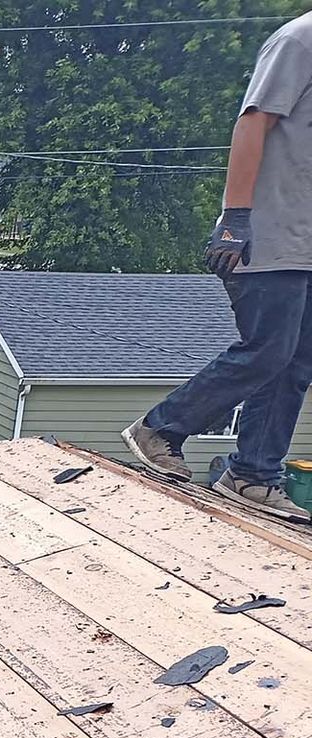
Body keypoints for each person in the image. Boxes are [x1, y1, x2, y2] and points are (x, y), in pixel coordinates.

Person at [123, 12, 312, 522]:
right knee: (268, 351)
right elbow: (253, 121)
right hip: (267, 236)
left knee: (295, 365)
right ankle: (161, 428)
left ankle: (252, 475)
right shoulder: (301, 38)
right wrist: (235, 217)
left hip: (307, 244)